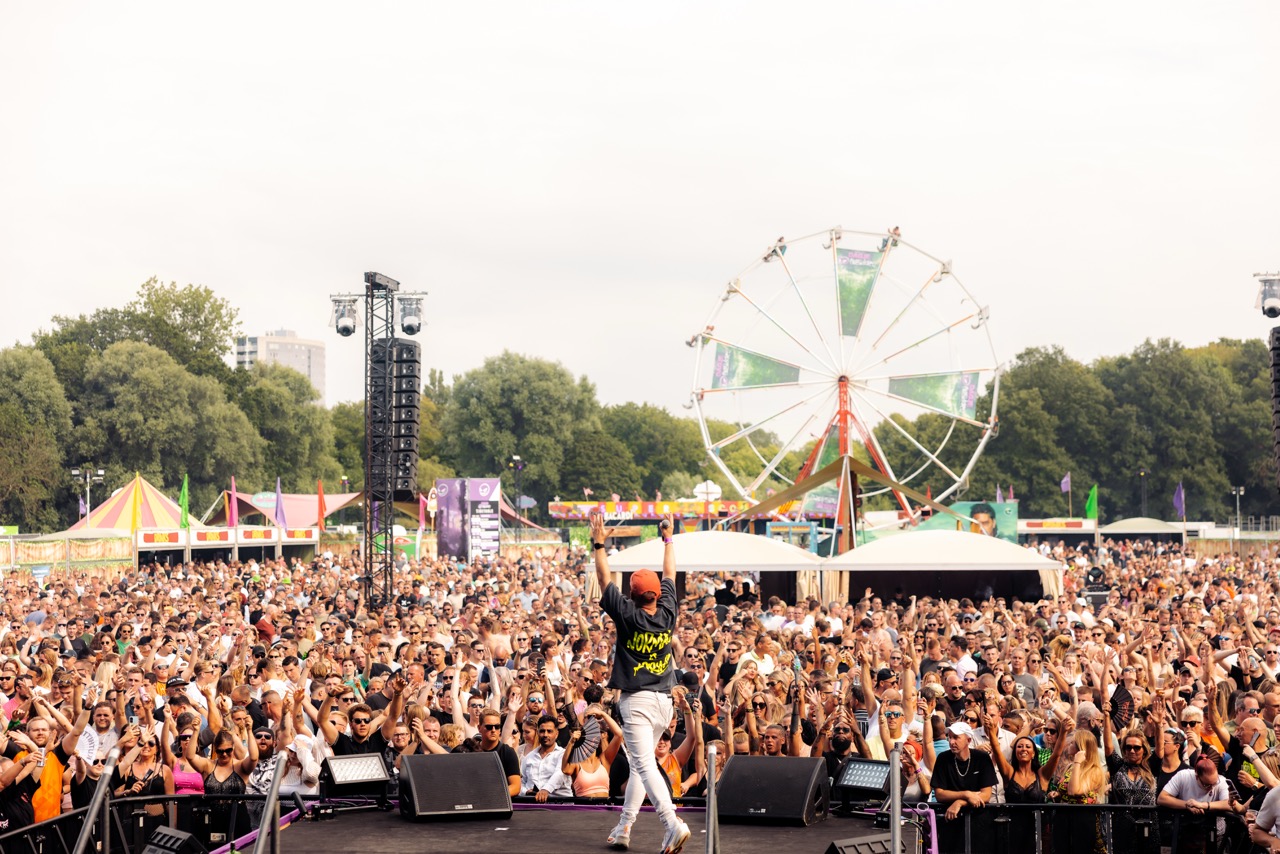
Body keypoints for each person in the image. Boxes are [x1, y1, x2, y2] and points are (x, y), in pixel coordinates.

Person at [591, 510, 690, 854]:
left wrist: (598, 544)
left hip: (637, 702)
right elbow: (671, 572)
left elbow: (604, 578)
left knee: (644, 764)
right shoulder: (668, 610)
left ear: (632, 596)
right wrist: (668, 537)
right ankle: (624, 827)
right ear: (657, 594)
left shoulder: (627, 614)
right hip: (664, 702)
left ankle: (671, 823)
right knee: (638, 764)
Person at [930, 721, 995, 854]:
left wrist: (959, 802)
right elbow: (940, 794)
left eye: (956, 737)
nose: (951, 741)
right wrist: (966, 794)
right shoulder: (943, 758)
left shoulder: (981, 758)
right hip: (951, 821)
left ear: (968, 740)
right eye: (949, 737)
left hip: (978, 821)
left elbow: (986, 795)